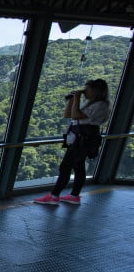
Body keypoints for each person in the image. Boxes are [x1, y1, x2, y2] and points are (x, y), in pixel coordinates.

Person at [34, 78, 110, 206]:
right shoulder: (90, 103)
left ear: (96, 91)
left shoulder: (100, 105)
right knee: (78, 166)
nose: (84, 91)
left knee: (65, 166)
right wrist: (72, 100)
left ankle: (54, 195)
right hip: (80, 139)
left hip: (83, 140)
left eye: (87, 89)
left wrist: (77, 99)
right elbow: (68, 115)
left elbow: (76, 116)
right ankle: (74, 196)